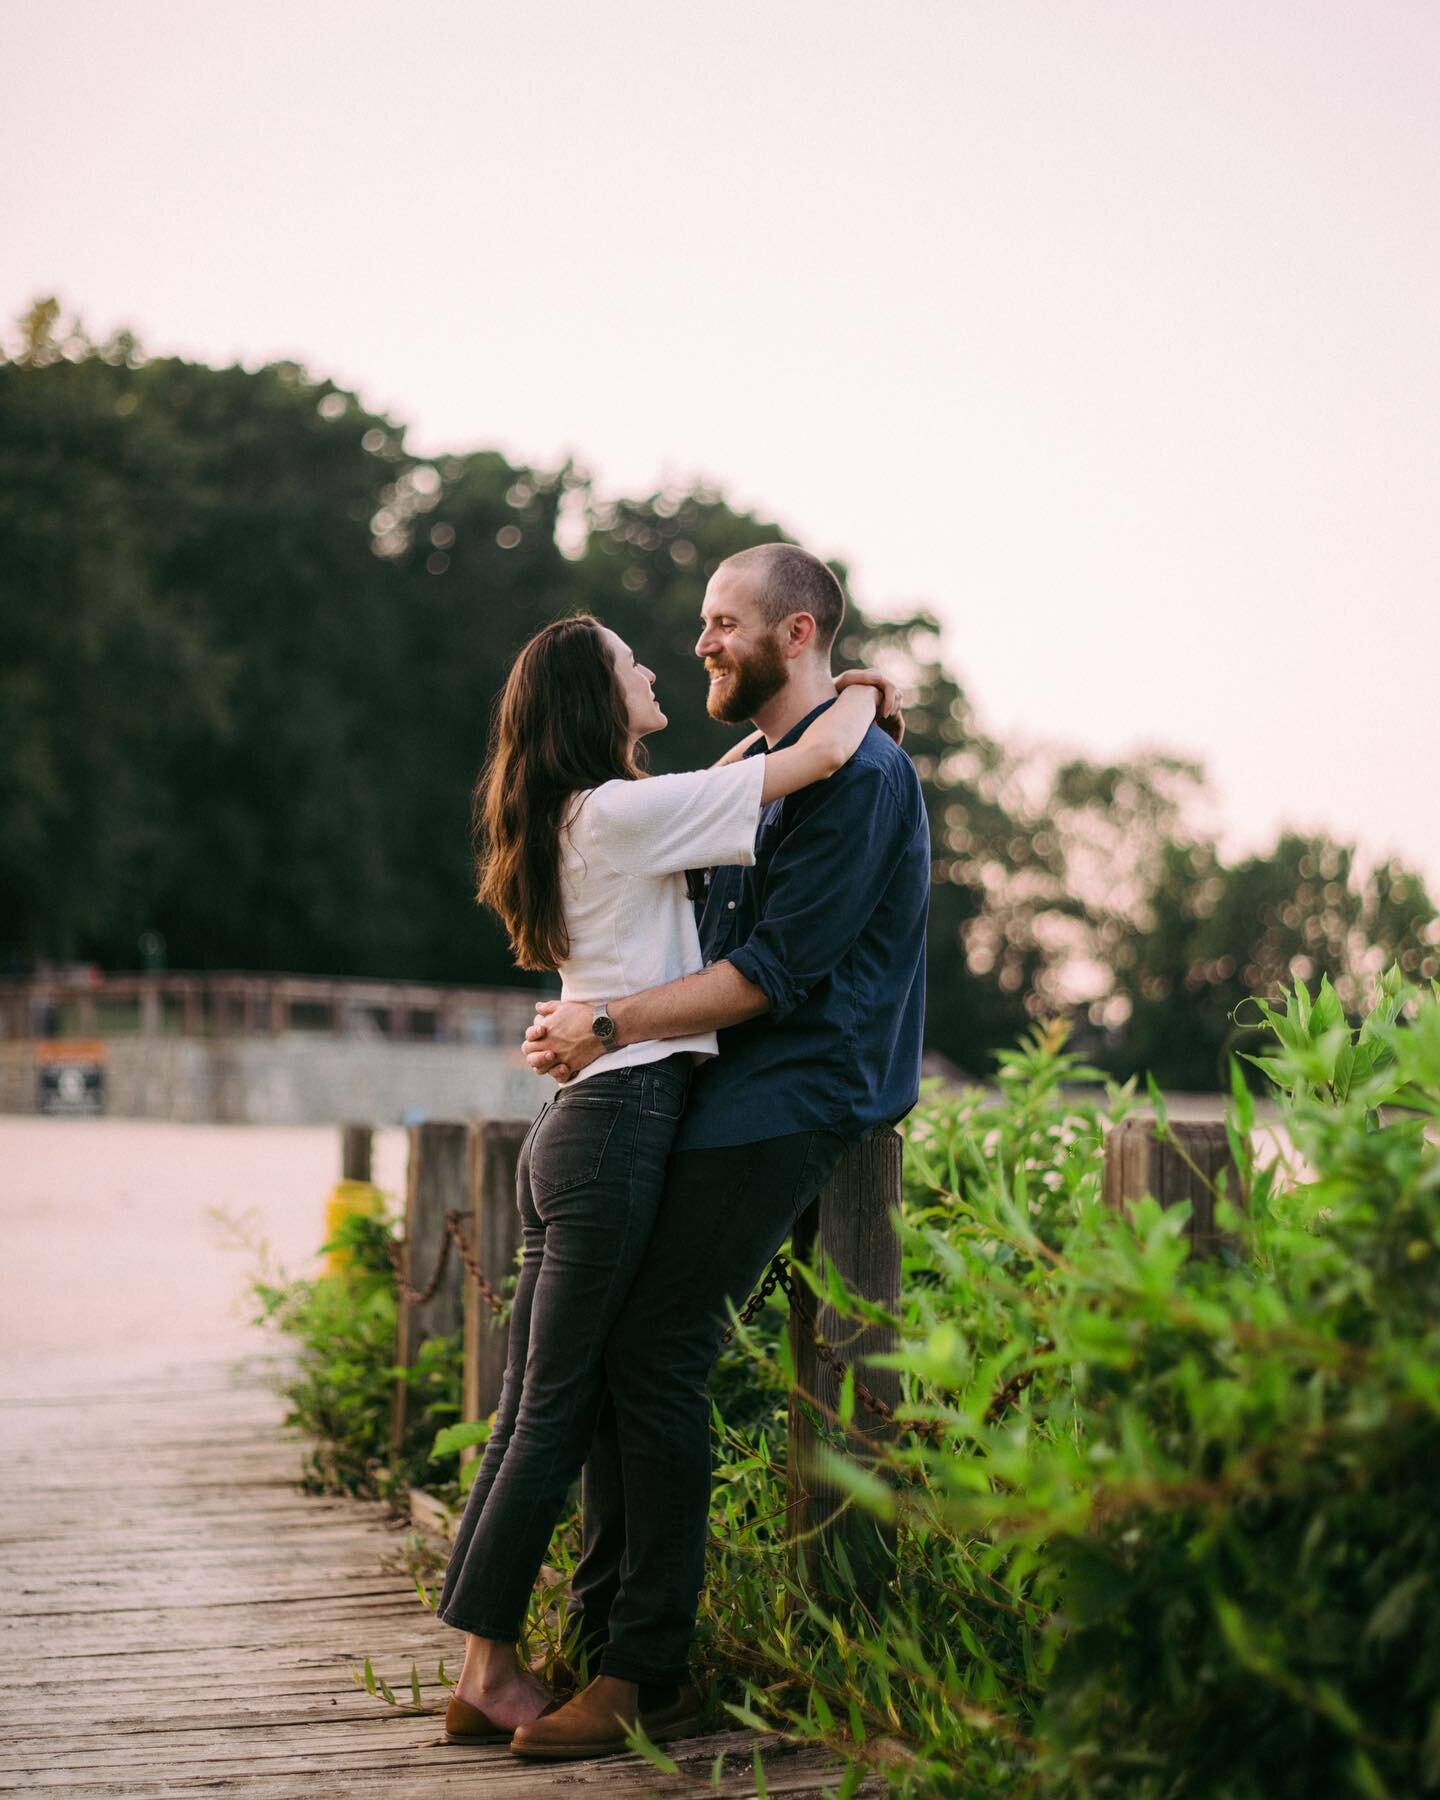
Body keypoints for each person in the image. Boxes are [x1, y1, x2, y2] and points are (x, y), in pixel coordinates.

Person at [434, 608, 899, 1747]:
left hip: (575, 1121)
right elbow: (819, 759)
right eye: (632, 663)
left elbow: (741, 770)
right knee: (555, 1408)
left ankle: (484, 1662)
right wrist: (866, 694)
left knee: (530, 1407)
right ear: (599, 703)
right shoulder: (627, 814)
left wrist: (826, 705)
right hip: (623, 1118)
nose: (659, 665)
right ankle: (497, 1669)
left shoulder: (583, 814)